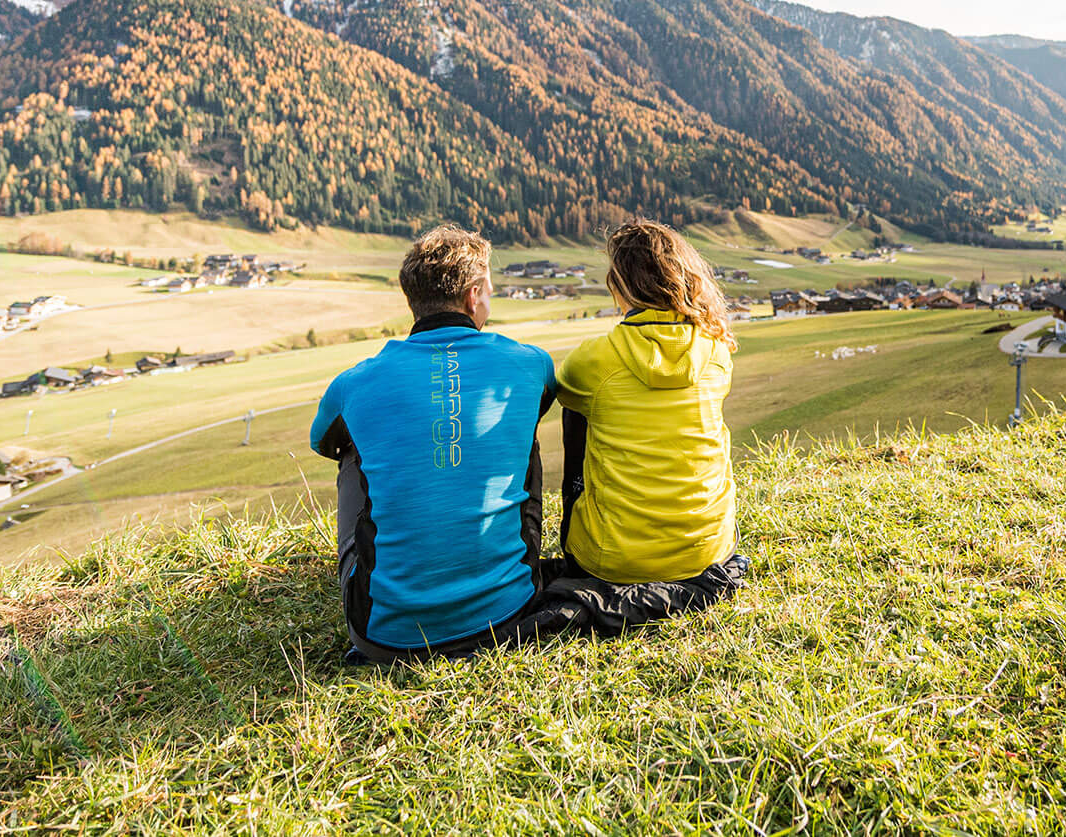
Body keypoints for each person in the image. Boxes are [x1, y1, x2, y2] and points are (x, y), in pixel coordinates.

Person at [309, 225, 558, 661]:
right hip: (510, 612)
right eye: (489, 290)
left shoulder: (353, 384)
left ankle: (399, 581)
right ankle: (496, 569)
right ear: (473, 296)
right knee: (521, 424)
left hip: (383, 638)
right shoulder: (531, 363)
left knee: (352, 446)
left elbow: (322, 443)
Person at [551, 220, 745, 594]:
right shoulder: (716, 351)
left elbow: (558, 395)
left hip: (612, 561)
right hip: (710, 553)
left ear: (620, 285)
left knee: (578, 409)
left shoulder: (592, 361)